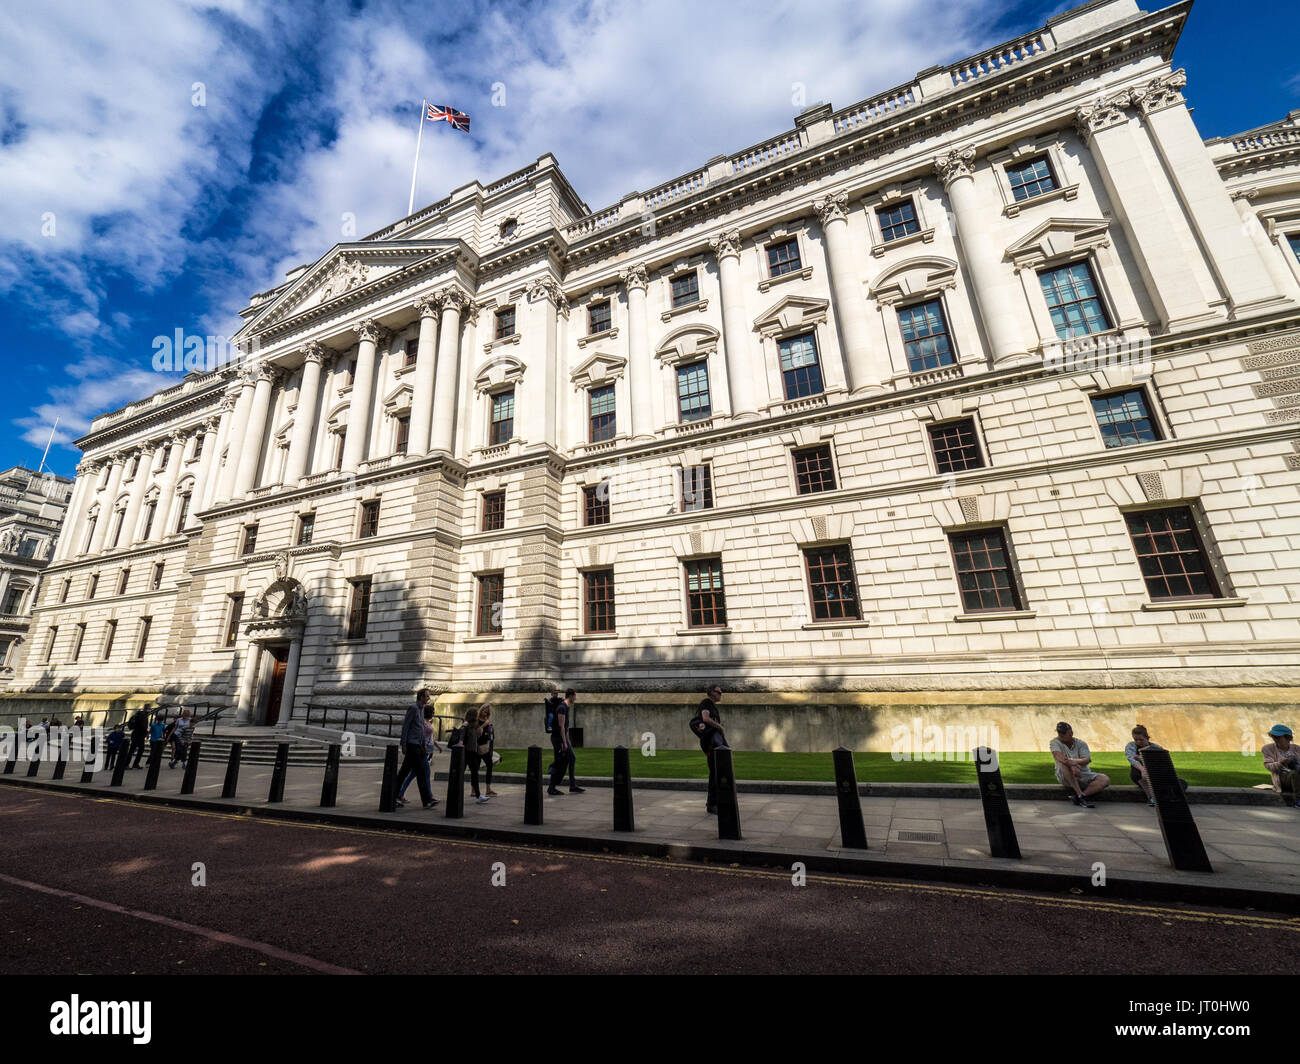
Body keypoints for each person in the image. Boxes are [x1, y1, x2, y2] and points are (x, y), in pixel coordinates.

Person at [1050, 721, 1110, 808]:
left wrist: (1075, 763)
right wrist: (1072, 765)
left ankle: (1081, 796)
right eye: (1059, 733)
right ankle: (1079, 794)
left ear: (1071, 733)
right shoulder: (1055, 742)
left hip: (1082, 774)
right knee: (1064, 764)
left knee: (1105, 779)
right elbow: (1058, 756)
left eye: (1063, 733)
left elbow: (1087, 759)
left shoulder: (1081, 744)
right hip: (1065, 776)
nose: (1061, 735)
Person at [1124, 725, 1188, 806]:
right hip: (1140, 773)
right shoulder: (1131, 746)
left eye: (1141, 739)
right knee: (1137, 772)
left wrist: (1143, 758)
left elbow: (1164, 763)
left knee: (1182, 783)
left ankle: (1169, 797)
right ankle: (1152, 797)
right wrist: (1143, 769)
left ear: (1147, 738)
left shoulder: (1156, 748)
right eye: (1136, 739)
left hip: (1156, 774)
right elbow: (1131, 759)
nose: (1138, 742)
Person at [395, 688, 437, 808]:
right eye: (427, 696)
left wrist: (423, 745)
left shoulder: (422, 709)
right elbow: (406, 727)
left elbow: (421, 730)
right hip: (412, 745)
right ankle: (427, 800)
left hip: (419, 746)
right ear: (421, 697)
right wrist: (403, 744)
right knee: (421, 772)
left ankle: (394, 795)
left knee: (404, 773)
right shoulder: (413, 708)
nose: (429, 698)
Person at [692, 685, 728, 815]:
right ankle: (712, 804)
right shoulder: (706, 703)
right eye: (719, 692)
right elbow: (706, 718)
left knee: (717, 773)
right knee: (715, 773)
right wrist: (720, 727)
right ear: (712, 692)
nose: (721, 694)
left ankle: (714, 802)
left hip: (714, 744)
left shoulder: (713, 706)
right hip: (711, 745)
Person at [548, 688, 583, 795]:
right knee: (560, 762)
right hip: (558, 739)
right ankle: (551, 787)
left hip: (562, 739)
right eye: (575, 696)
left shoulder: (566, 707)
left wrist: (568, 741)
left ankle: (572, 785)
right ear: (571, 696)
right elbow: (561, 727)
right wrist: (564, 742)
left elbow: (566, 728)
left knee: (571, 759)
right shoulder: (562, 708)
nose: (575, 698)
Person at [1262, 724, 1300, 807]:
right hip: (1282, 778)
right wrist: (1281, 763)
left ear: (1288, 738)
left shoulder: (1297, 748)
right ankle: (1298, 801)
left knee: (1296, 768)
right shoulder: (1268, 748)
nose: (1275, 739)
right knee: (1295, 773)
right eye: (1273, 737)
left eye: (1277, 737)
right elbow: (1269, 766)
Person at [472, 704, 499, 798]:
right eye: (484, 710)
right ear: (481, 710)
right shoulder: (477, 721)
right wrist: (484, 725)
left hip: (484, 746)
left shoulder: (487, 721)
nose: (486, 712)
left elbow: (487, 734)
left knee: (489, 765)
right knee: (475, 768)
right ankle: (473, 790)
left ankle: (488, 789)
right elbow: (477, 732)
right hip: (477, 747)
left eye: (487, 711)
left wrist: (490, 730)